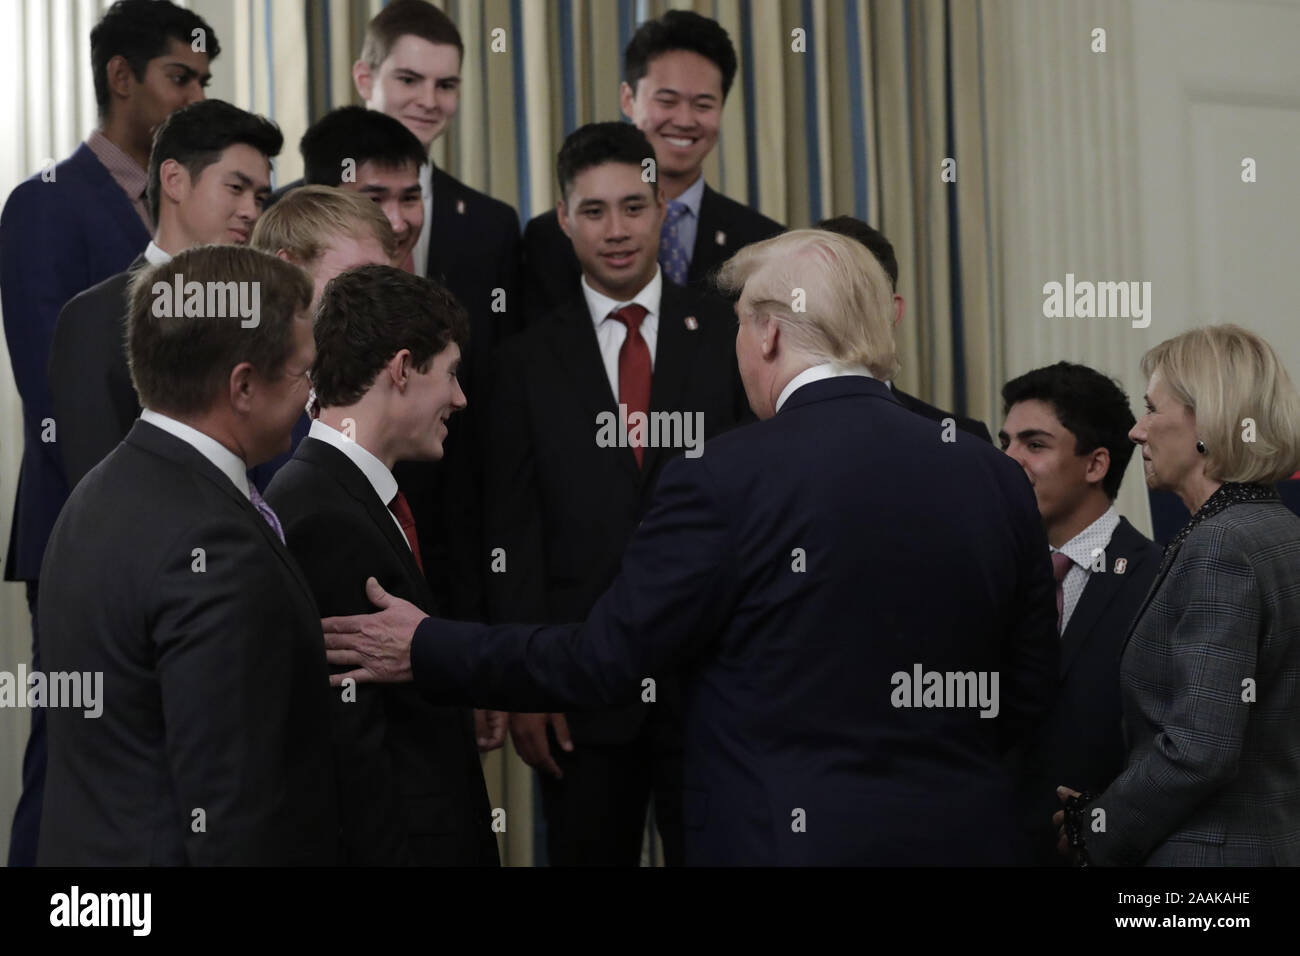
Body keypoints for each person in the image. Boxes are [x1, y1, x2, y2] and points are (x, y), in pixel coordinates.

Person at [322, 229, 1058, 866]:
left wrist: (427, 647)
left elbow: (605, 661)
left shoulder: (723, 475)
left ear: (768, 333)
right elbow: (1028, 691)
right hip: (968, 839)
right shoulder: (992, 472)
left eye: (739, 326)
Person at [488, 121, 750, 866]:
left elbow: (756, 512)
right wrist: (524, 682)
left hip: (713, 686)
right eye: (593, 211)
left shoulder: (731, 339)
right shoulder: (522, 364)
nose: (616, 230)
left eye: (634, 206)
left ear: (663, 207)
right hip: (577, 694)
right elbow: (512, 531)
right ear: (564, 220)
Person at [1, 0, 218, 867]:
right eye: (180, 78)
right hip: (78, 535)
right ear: (121, 78)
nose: (196, 98)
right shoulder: (43, 206)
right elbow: (54, 393)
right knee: (68, 756)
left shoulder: (198, 209)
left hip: (179, 539)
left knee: (155, 764)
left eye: (204, 80)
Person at [38, 246, 339, 865]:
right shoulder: (214, 544)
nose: (313, 396)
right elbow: (230, 811)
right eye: (304, 373)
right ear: (244, 386)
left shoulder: (96, 492)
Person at [264, 266, 498, 866]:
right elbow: (353, 751)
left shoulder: (347, 491)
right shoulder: (322, 512)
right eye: (450, 373)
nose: (460, 397)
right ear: (401, 369)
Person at [1053, 325, 1300, 866]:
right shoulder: (1279, 532)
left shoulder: (1221, 548)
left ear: (1207, 422)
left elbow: (1199, 750)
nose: (1137, 432)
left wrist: (1095, 826)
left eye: (1151, 409)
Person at [50, 99, 282, 490]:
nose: (251, 211)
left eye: (260, 198)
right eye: (236, 188)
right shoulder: (98, 316)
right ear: (174, 180)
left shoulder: (260, 308)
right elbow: (97, 485)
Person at [997, 362, 1160, 865]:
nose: (1008, 460)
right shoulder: (990, 572)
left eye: (1034, 444)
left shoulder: (1160, 578)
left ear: (1095, 465)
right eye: (1005, 442)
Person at [523, 9, 783, 322]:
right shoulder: (550, 239)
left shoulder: (763, 243)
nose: (685, 121)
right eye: (667, 101)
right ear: (628, 99)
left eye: (703, 105)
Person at [816, 215, 991, 442]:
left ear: (892, 311)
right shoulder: (760, 437)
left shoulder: (962, 439)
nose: (833, 314)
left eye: (855, 298)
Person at [293, 106, 425, 269]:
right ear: (318, 203)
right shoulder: (264, 288)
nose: (398, 225)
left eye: (409, 199)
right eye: (374, 200)